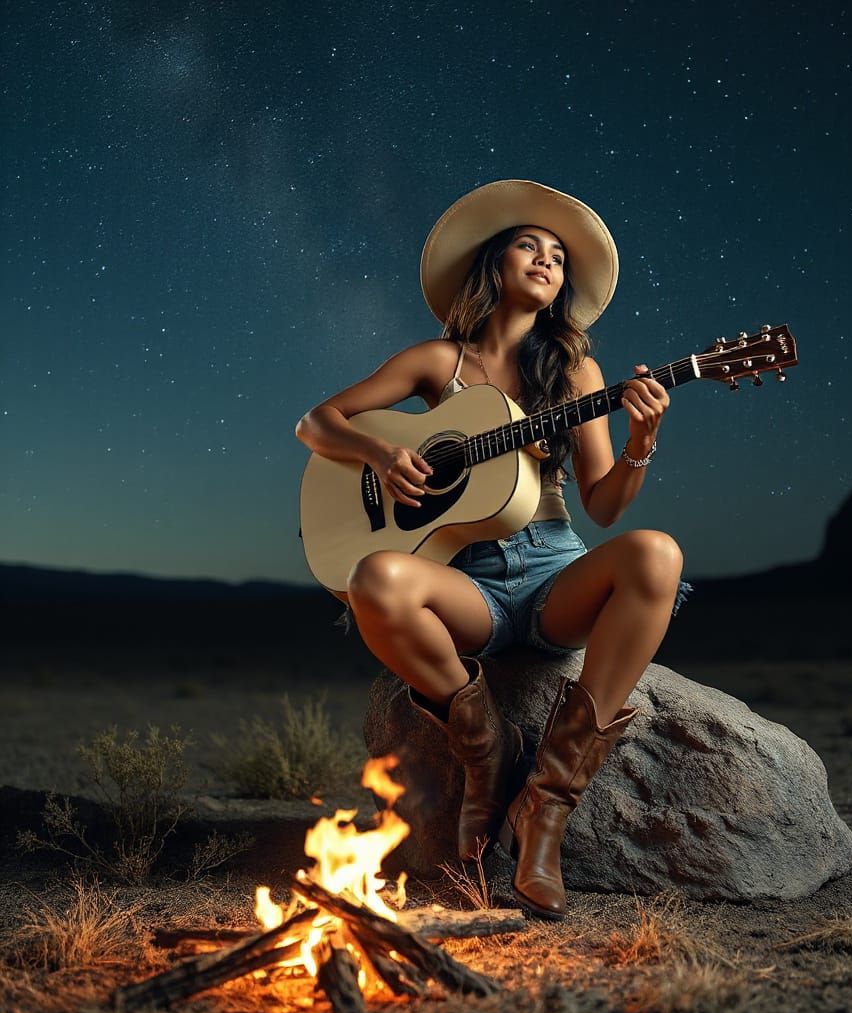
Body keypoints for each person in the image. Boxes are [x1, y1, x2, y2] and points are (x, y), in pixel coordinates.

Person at [295, 180, 689, 920]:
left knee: (657, 554)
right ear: (493, 264)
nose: (546, 259)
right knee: (373, 576)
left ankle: (545, 804)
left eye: (559, 257)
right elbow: (317, 423)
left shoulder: (575, 373)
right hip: (466, 583)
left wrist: (642, 443)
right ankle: (487, 751)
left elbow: (604, 505)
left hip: (553, 571)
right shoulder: (436, 363)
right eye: (528, 245)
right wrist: (379, 451)